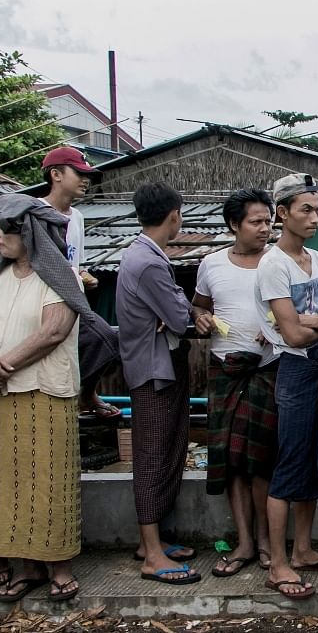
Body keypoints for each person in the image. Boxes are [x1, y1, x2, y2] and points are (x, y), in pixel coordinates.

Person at [0, 194, 86, 602]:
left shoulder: (58, 277)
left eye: (6, 230)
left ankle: (59, 566)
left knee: (49, 481)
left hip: (44, 393)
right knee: (5, 484)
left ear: (29, 233)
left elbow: (53, 331)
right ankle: (28, 566)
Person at [256, 174, 318, 600]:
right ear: (283, 214)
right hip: (295, 369)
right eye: (306, 210)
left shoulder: (316, 258)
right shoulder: (272, 265)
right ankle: (277, 563)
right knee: (290, 464)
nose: (315, 218)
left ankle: (304, 550)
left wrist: (309, 320)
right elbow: (292, 338)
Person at [116, 182, 201, 586]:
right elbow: (181, 315)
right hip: (154, 371)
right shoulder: (148, 262)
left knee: (167, 450)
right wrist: (183, 310)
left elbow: (173, 310)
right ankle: (151, 553)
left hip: (157, 365)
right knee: (152, 456)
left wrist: (176, 309)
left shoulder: (143, 254)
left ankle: (152, 541)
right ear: (173, 215)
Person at [192, 189, 279, 576]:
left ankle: (266, 541)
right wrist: (199, 317)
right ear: (233, 225)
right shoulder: (211, 264)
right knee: (231, 460)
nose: (265, 228)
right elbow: (198, 305)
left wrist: (277, 323)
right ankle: (243, 542)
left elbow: (302, 307)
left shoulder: (279, 262)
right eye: (256, 222)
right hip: (225, 371)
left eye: (268, 220)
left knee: (261, 461)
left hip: (268, 370)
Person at [39, 146, 121, 420]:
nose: (86, 180)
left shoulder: (77, 217)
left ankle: (84, 394)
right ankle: (76, 395)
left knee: (107, 339)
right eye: (80, 173)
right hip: (41, 302)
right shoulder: (36, 212)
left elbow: (76, 263)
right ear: (56, 174)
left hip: (72, 301)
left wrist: (84, 276)